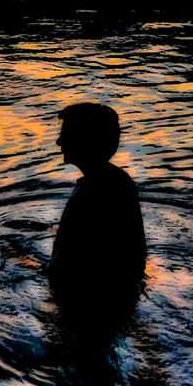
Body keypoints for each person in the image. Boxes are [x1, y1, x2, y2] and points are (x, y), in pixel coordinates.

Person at [47, 102, 146, 311]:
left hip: (83, 303)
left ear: (84, 141)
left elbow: (61, 269)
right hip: (120, 296)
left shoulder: (86, 196)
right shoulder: (123, 182)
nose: (58, 141)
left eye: (66, 134)